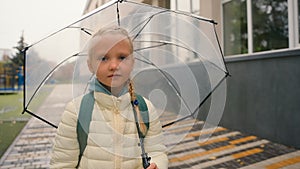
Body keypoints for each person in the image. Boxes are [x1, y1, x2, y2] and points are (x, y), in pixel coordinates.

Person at [50, 26, 168, 169]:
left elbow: (157, 151)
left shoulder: (145, 108)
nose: (114, 65)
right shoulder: (76, 111)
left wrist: (157, 165)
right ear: (90, 65)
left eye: (122, 57)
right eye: (103, 58)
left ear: (132, 62)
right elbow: (62, 164)